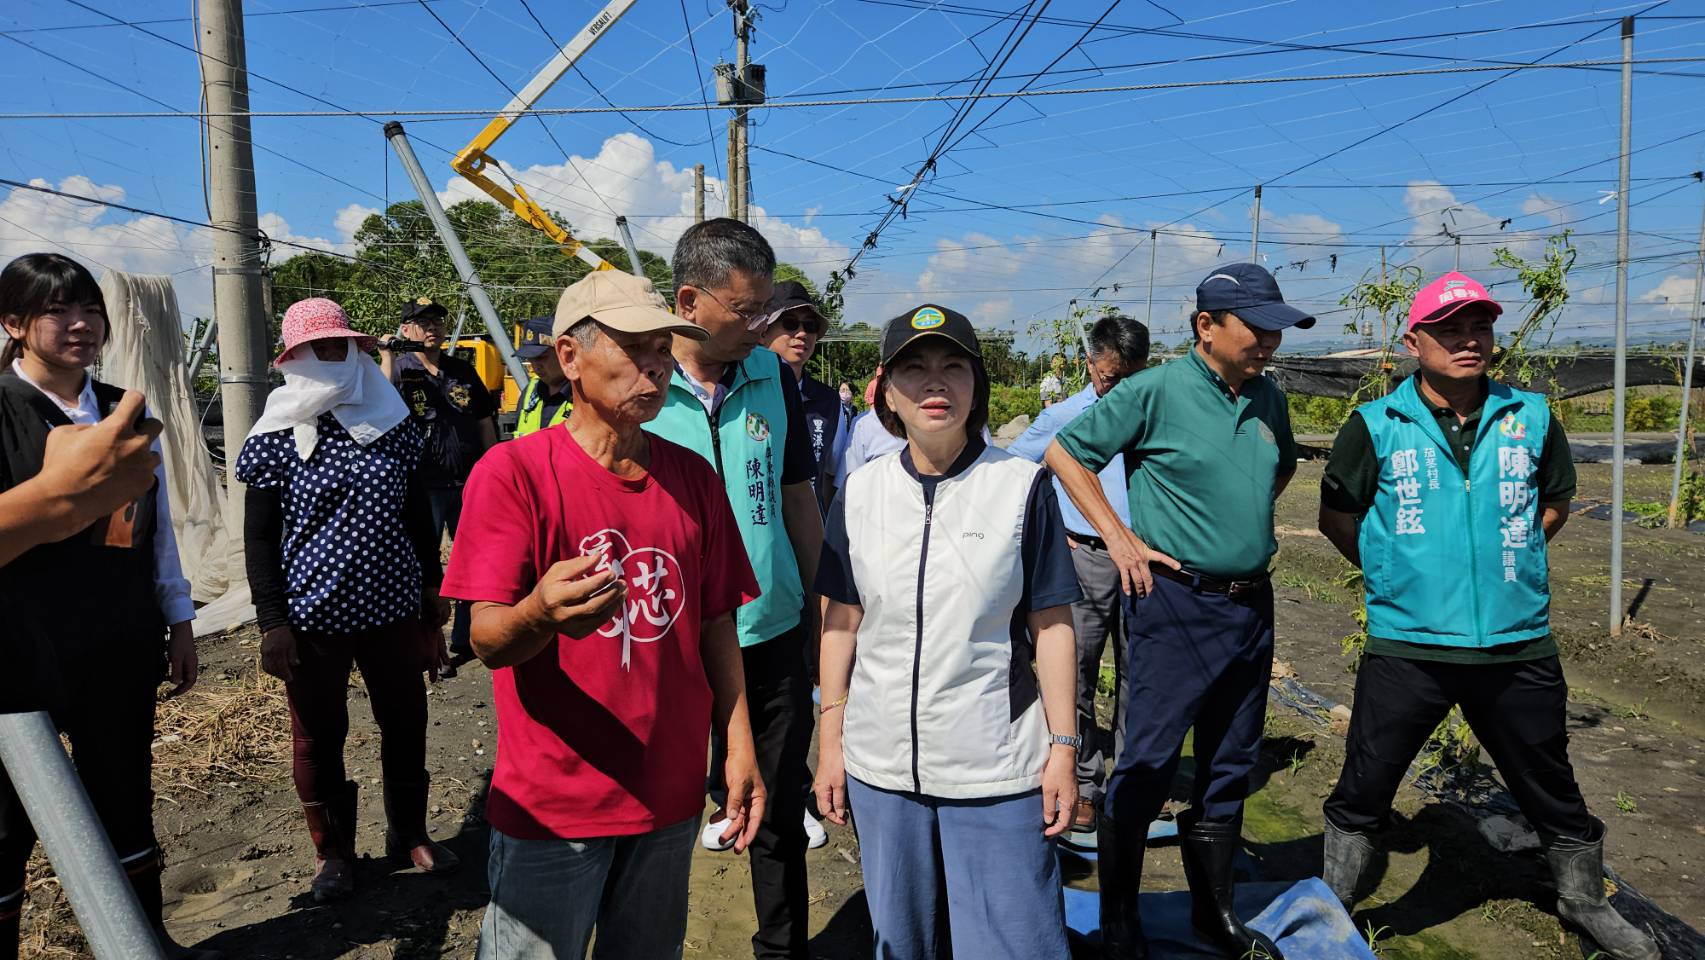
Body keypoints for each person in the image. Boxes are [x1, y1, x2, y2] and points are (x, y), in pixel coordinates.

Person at [1316, 274, 1659, 960]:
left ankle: (1583, 900)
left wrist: (1510, 560)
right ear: (1413, 342)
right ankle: (1330, 909)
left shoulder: (1530, 417)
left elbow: (1555, 502)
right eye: (1449, 330)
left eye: (1478, 328)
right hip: (1407, 644)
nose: (1467, 341)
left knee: (1549, 780)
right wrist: (1395, 573)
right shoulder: (1374, 426)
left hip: (1514, 643)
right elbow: (1335, 516)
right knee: (1366, 783)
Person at [438, 270, 765, 960]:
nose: (654, 365)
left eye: (661, 349)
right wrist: (539, 613)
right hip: (556, 803)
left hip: (668, 792)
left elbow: (715, 625)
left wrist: (738, 749)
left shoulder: (693, 480)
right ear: (569, 357)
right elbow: (486, 640)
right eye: (634, 347)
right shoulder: (514, 472)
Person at [1046, 263, 1313, 960]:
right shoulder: (1154, 390)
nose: (1267, 345)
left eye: (1274, 333)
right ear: (1205, 326)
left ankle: (1212, 914)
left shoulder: (1267, 401)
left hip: (1249, 606)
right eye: (1255, 330)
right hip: (1173, 604)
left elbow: (1278, 468)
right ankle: (1119, 919)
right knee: (1147, 763)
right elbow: (1066, 453)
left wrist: (1235, 524)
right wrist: (1119, 535)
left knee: (1230, 763)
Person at [814, 304, 1081, 959]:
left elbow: (1051, 625)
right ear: (887, 393)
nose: (935, 384)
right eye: (915, 368)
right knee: (902, 941)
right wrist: (830, 741)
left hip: (995, 767)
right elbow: (840, 622)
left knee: (1013, 941)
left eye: (952, 367)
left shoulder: (1021, 488)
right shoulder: (862, 492)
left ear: (975, 386)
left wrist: (1064, 747)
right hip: (881, 768)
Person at [0, 252, 216, 959]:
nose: (81, 324)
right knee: (5, 822)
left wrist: (178, 619)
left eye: (90, 309)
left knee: (125, 796)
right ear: (14, 323)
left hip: (118, 637)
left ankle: (143, 941)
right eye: (58, 310)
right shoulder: (3, 410)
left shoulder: (127, 407)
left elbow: (156, 532)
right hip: (17, 649)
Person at [643, 218, 824, 960]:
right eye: (746, 312)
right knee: (664, 805)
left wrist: (821, 607)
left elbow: (795, 497)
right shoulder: (642, 379)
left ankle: (781, 947)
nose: (762, 328)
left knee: (778, 803)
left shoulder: (771, 376)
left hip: (771, 627)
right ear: (689, 301)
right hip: (673, 639)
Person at [238, 298, 459, 905]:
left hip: (390, 606)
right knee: (318, 735)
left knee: (406, 720)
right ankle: (333, 854)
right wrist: (271, 621)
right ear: (298, 358)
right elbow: (259, 537)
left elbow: (418, 516)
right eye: (322, 348)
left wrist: (431, 591)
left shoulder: (390, 421)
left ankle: (409, 833)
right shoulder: (278, 434)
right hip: (312, 616)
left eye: (344, 345)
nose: (337, 356)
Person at [1008, 313, 1149, 835]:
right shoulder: (1063, 417)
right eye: (1111, 377)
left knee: (1141, 672)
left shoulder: (1155, 412)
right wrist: (1053, 529)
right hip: (1086, 558)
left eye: (1131, 376)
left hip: (1144, 559)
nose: (1119, 387)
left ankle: (1134, 784)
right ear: (1090, 365)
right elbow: (1017, 472)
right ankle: (1086, 783)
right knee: (1079, 668)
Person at [379, 296, 497, 671]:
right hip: (421, 486)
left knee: (473, 563)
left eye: (437, 321)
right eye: (422, 321)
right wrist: (387, 357)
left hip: (468, 483)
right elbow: (380, 405)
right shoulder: (399, 370)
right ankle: (426, 641)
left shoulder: (462, 370)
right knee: (421, 568)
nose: (432, 327)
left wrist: (496, 466)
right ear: (407, 329)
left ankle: (467, 638)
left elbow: (483, 422)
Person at [761, 280, 850, 514]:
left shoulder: (829, 401)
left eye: (810, 326)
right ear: (763, 332)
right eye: (790, 324)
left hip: (808, 530)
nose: (802, 333)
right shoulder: (743, 395)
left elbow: (831, 475)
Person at [513, 314, 571, 436]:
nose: (535, 365)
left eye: (541, 357)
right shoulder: (529, 392)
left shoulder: (585, 395)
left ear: (563, 352)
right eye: (531, 358)